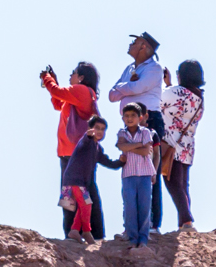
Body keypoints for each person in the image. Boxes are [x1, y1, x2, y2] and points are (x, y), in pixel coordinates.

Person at [110, 33, 166, 230]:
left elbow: (137, 86)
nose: (130, 44)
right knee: (131, 171)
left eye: (134, 42)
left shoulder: (154, 68)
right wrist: (130, 87)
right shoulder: (129, 69)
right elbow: (111, 95)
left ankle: (151, 224)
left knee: (150, 171)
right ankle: (132, 225)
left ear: (144, 47)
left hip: (149, 120)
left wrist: (125, 87)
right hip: (130, 124)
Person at [40, 61, 103, 238]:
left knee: (82, 193)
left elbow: (56, 92)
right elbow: (58, 103)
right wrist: (54, 83)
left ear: (81, 77)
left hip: (76, 153)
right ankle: (77, 233)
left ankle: (88, 233)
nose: (70, 76)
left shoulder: (82, 91)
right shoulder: (80, 95)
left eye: (73, 73)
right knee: (74, 194)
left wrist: (46, 78)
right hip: (71, 153)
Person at [59, 116, 122, 242]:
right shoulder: (86, 141)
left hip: (82, 183)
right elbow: (87, 137)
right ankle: (80, 234)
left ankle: (77, 232)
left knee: (85, 206)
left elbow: (109, 163)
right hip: (73, 181)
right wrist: (89, 134)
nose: (99, 131)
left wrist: (121, 162)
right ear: (89, 128)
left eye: (103, 129)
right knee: (74, 207)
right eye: (96, 128)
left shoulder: (97, 148)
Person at [161, 59, 205, 233]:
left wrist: (167, 85)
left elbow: (159, 102)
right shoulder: (199, 97)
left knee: (172, 183)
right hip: (187, 145)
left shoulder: (174, 92)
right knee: (183, 185)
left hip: (171, 144)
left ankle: (187, 219)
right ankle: (184, 223)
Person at [113, 103, 160, 245]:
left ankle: (143, 239)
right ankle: (132, 239)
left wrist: (129, 147)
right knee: (130, 207)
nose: (129, 118)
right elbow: (121, 145)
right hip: (128, 175)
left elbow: (146, 151)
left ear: (140, 117)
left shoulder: (146, 132)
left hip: (145, 174)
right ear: (122, 118)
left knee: (144, 207)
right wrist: (138, 145)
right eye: (126, 116)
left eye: (133, 115)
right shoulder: (122, 133)